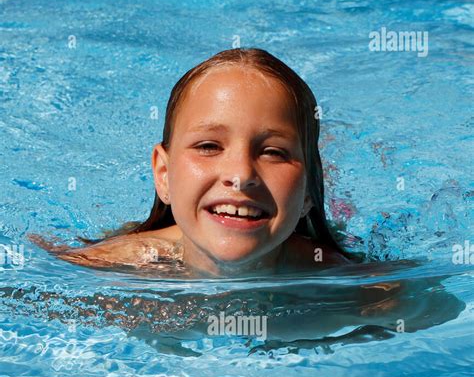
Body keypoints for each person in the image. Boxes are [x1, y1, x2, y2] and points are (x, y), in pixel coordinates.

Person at [29, 47, 354, 277]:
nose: (240, 175)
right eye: (209, 146)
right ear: (164, 174)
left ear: (310, 190)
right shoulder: (108, 269)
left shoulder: (348, 286)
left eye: (273, 152)